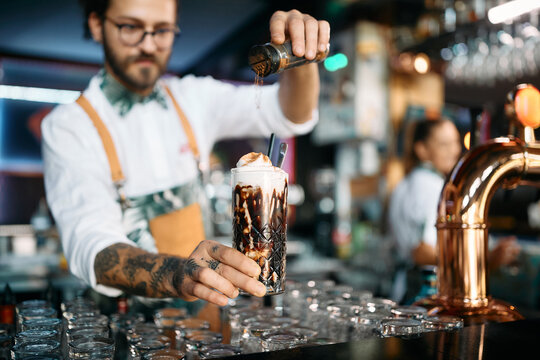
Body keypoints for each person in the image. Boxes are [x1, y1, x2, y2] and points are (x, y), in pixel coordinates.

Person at [41, 0, 330, 307]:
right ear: (98, 25)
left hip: (203, 320)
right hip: (126, 327)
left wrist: (300, 56)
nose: (149, 44)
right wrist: (178, 273)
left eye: (162, 30)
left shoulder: (192, 98)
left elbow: (290, 114)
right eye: (130, 28)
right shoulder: (69, 127)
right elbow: (91, 246)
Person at [388, 118, 520, 302]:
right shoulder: (432, 187)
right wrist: (485, 258)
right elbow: (422, 252)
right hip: (426, 294)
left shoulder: (405, 183)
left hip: (404, 290)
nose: (455, 150)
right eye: (444, 144)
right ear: (422, 150)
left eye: (455, 142)